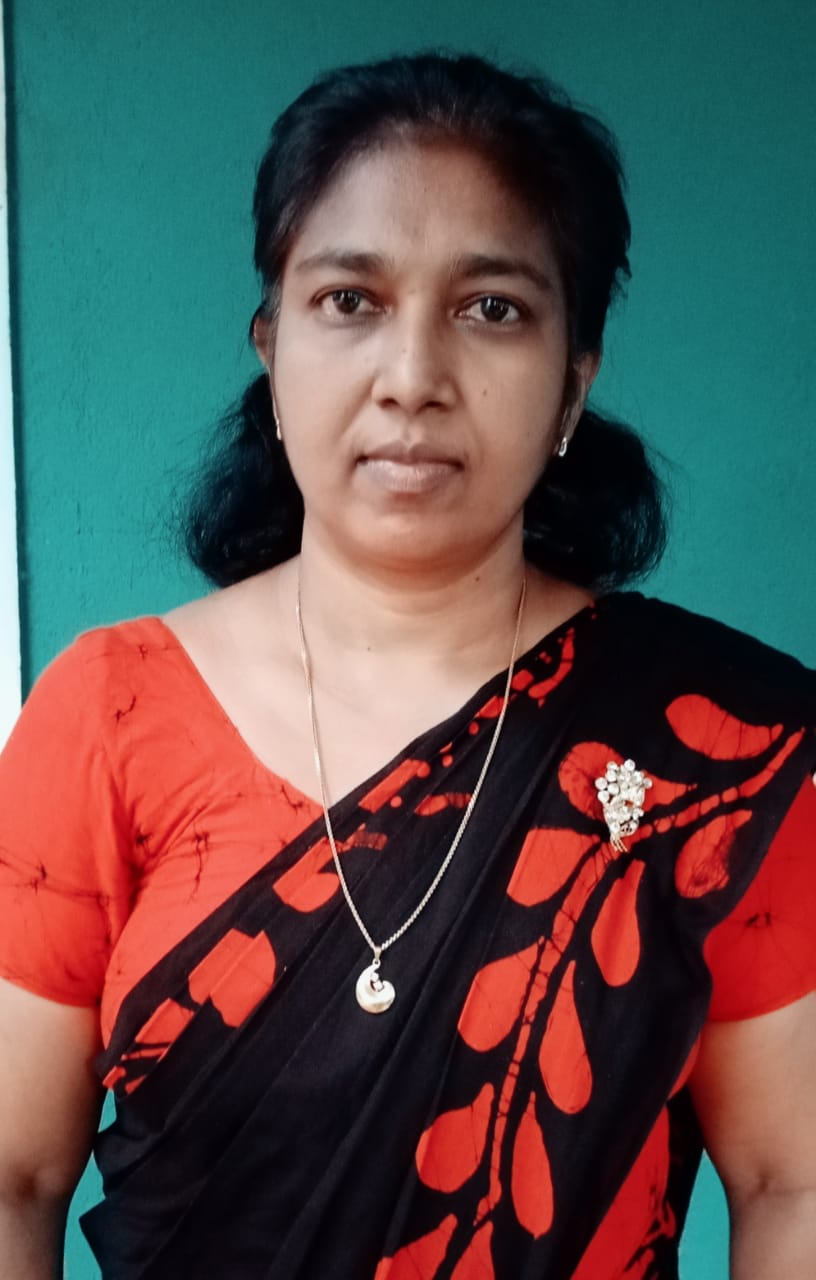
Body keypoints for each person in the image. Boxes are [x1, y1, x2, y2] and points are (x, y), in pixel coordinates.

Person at [0, 51, 814, 1280]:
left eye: (492, 308)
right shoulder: (111, 711)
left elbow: (791, 1177)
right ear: (271, 347)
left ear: (574, 380)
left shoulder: (721, 744)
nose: (414, 379)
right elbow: (13, 1176)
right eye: (350, 299)